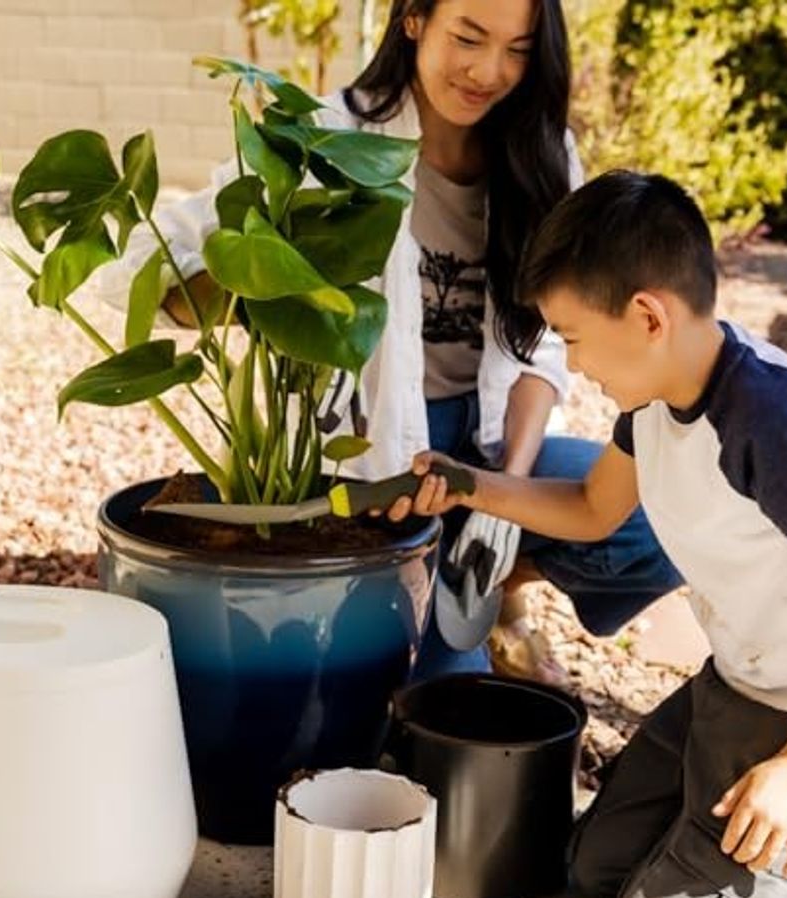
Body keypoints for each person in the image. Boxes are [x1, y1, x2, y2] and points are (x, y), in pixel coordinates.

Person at [100, 0, 683, 686]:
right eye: (468, 37)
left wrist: (507, 489)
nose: (489, 71)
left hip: (490, 439)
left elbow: (542, 348)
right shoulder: (326, 137)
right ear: (413, 19)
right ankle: (444, 588)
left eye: (518, 50)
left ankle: (494, 586)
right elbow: (137, 266)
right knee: (427, 700)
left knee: (663, 519)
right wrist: (271, 278)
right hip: (374, 465)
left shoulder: (542, 152)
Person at [384, 170, 787, 898]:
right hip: (731, 685)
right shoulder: (657, 398)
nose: (569, 361)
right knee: (595, 869)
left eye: (571, 336)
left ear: (647, 316)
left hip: (785, 716)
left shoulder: (770, 422)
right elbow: (592, 508)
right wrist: (466, 483)